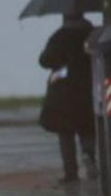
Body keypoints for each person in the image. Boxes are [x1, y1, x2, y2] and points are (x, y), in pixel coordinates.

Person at [37, 12, 96, 183]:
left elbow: (44, 60)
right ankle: (90, 157)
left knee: (66, 134)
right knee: (88, 130)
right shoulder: (92, 33)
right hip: (88, 91)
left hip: (64, 94)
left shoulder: (59, 36)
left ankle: (71, 173)